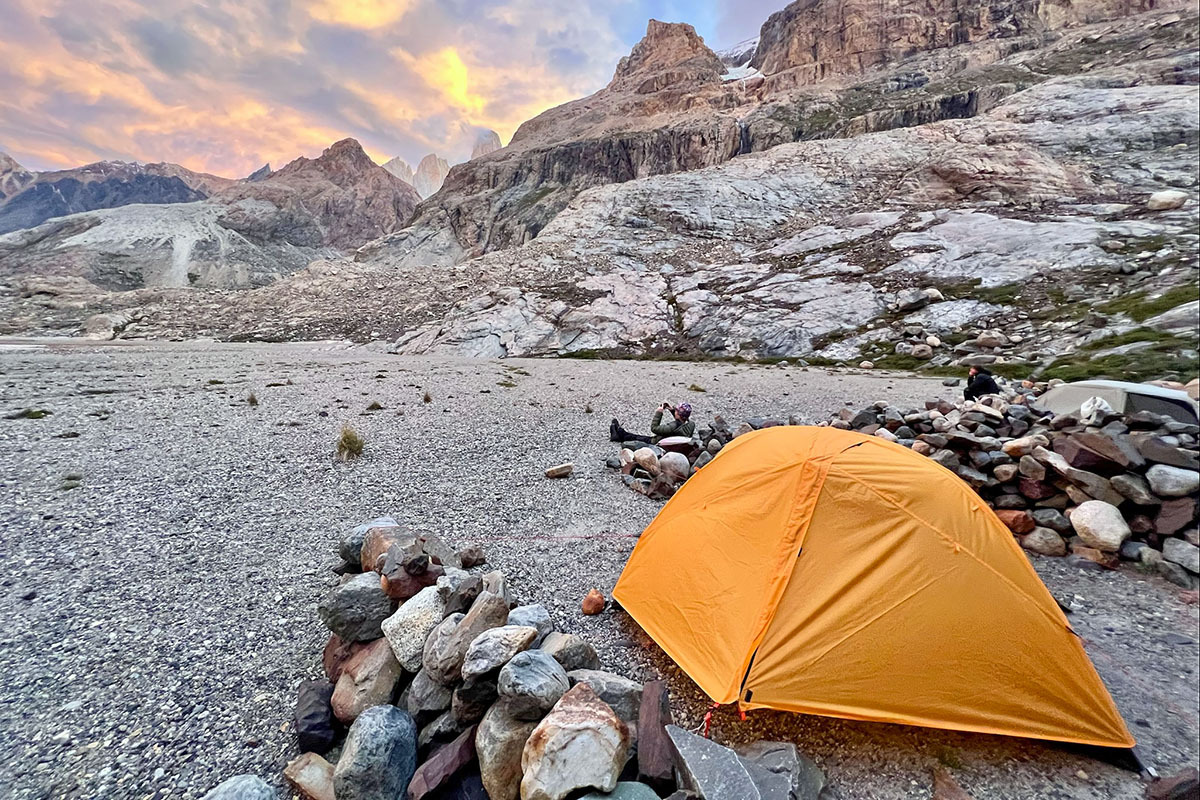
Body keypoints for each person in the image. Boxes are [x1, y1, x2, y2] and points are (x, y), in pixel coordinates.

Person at [610, 402, 695, 444]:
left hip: (655, 442)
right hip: (671, 440)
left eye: (676, 410)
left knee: (634, 437)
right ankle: (619, 431)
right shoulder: (691, 425)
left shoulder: (672, 427)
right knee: (636, 436)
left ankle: (618, 434)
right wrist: (672, 410)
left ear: (679, 414)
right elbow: (680, 420)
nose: (675, 410)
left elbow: (654, 428)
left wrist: (659, 413)